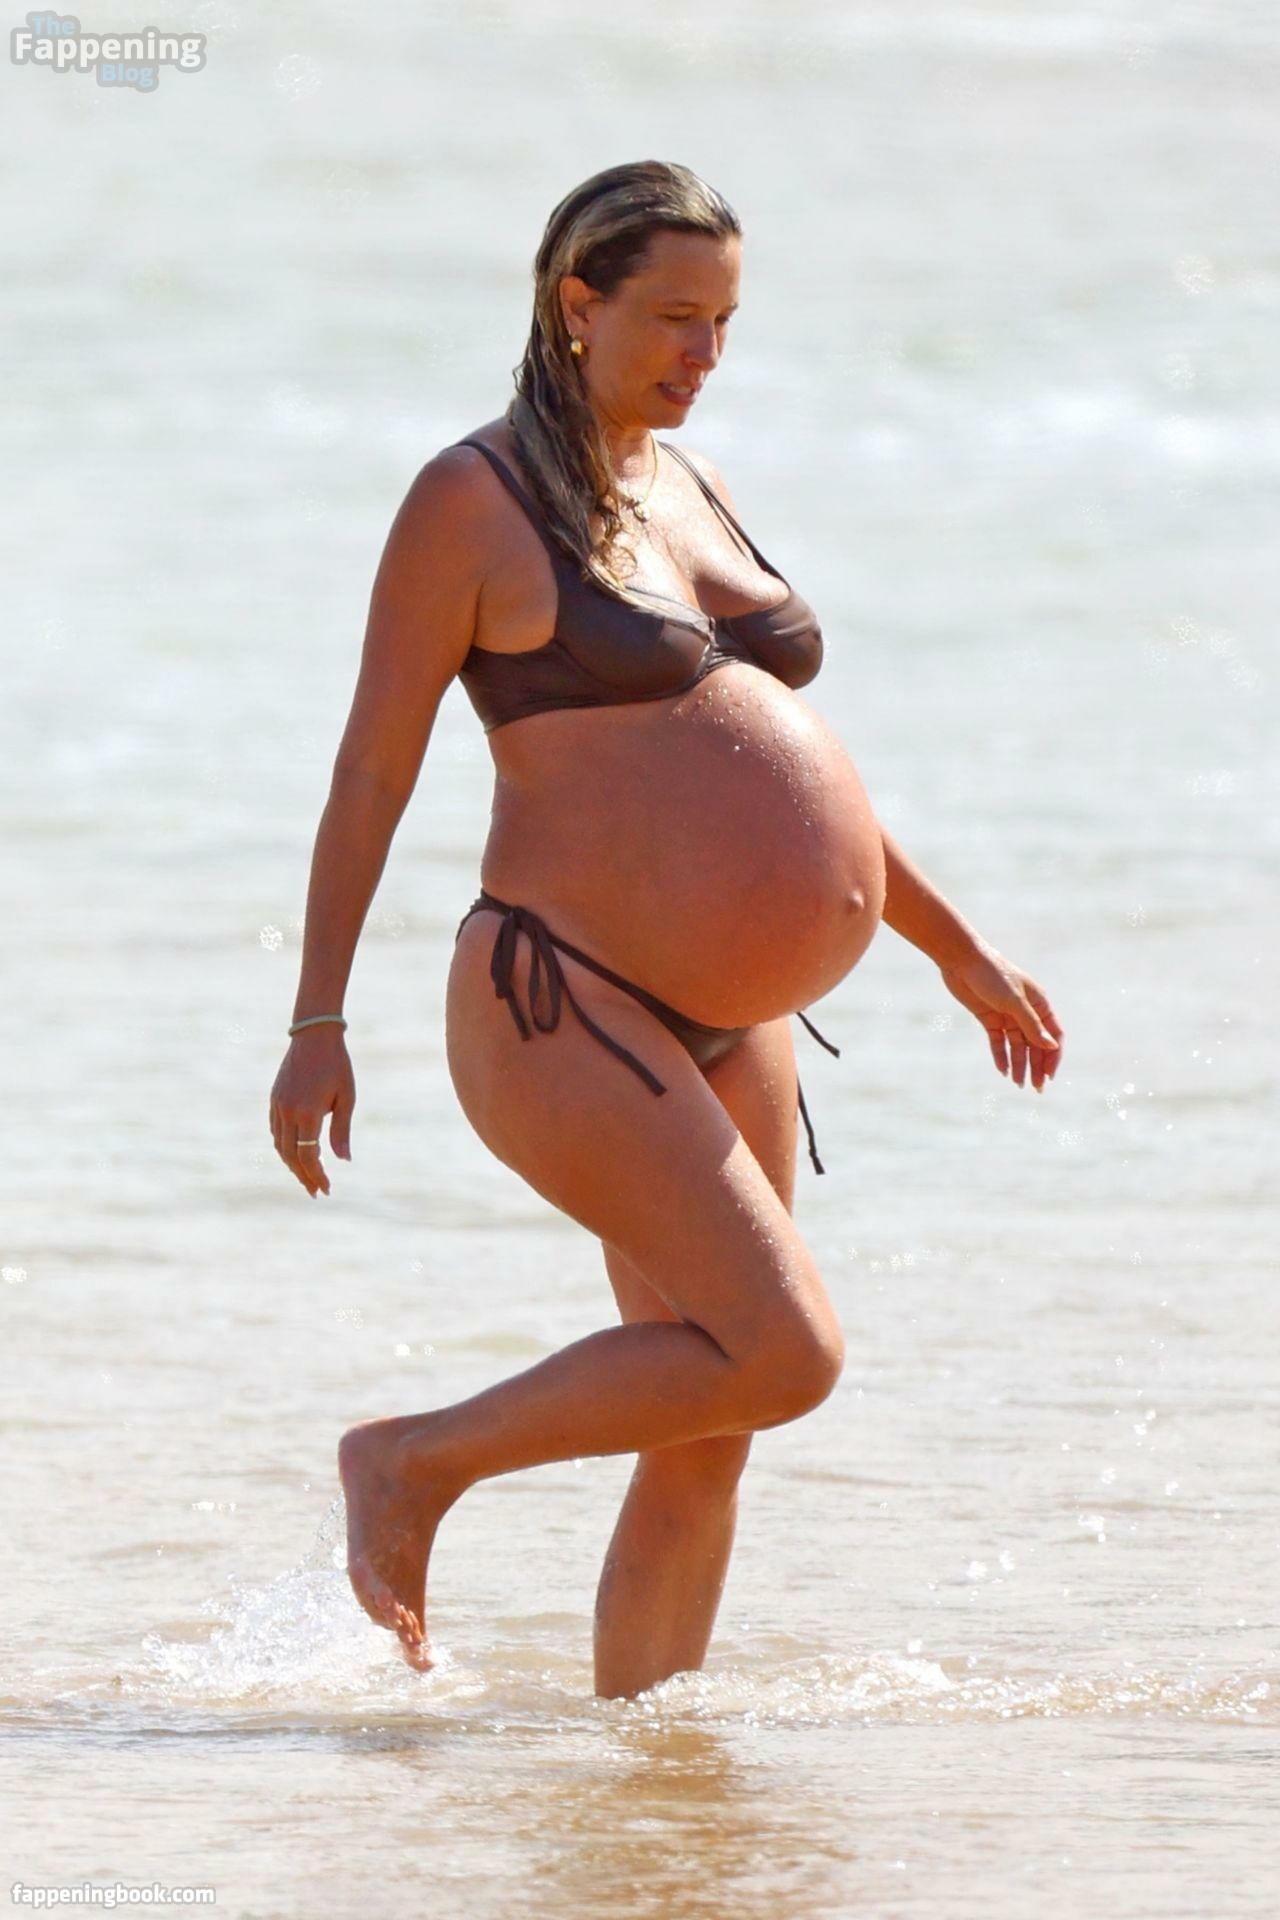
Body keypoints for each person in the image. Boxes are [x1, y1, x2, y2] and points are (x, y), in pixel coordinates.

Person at [268, 159, 1064, 1699]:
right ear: (580, 304)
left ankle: (648, 1771)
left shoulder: (687, 481)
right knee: (785, 1351)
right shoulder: (471, 499)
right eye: (676, 318)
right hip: (564, 998)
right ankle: (413, 1463)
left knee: (713, 1428)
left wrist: (952, 946)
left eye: (726, 324)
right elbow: (371, 774)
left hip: (732, 1015)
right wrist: (317, 1022)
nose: (706, 354)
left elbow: (776, 752)